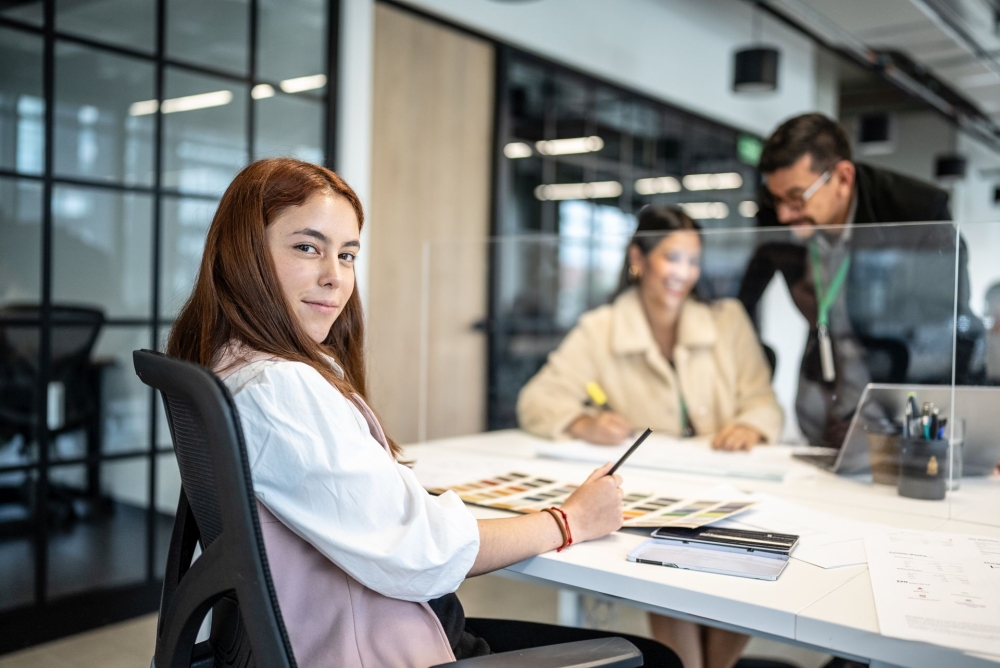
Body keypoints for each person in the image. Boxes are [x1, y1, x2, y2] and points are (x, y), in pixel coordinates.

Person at [165, 158, 680, 668]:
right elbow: (423, 553)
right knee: (654, 659)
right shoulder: (278, 387)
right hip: (377, 644)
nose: (334, 278)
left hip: (339, 629)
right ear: (244, 255)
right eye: (307, 247)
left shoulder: (229, 364)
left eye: (347, 256)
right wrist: (569, 520)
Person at [517, 205, 783, 668]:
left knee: (738, 577)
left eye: (693, 260)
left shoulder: (727, 321)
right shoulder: (601, 329)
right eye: (672, 257)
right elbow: (537, 400)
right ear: (638, 257)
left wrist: (750, 425)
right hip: (657, 497)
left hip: (726, 489)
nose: (684, 272)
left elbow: (764, 402)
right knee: (669, 575)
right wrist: (584, 422)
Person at [738, 113, 983, 449]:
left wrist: (966, 436)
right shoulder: (777, 214)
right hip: (820, 407)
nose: (784, 215)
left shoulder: (916, 213)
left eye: (796, 198)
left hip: (894, 413)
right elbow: (744, 297)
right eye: (777, 200)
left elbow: (951, 331)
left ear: (842, 177)